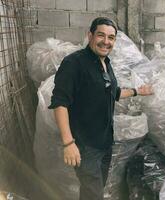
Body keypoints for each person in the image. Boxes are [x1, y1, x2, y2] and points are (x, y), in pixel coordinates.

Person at [48, 17, 153, 200]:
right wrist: (68, 143)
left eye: (111, 37)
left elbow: (112, 92)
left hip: (105, 143)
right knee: (94, 194)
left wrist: (137, 91)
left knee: (92, 191)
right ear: (90, 36)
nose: (106, 41)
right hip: (85, 146)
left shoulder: (106, 63)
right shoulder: (74, 63)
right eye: (101, 35)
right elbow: (60, 103)